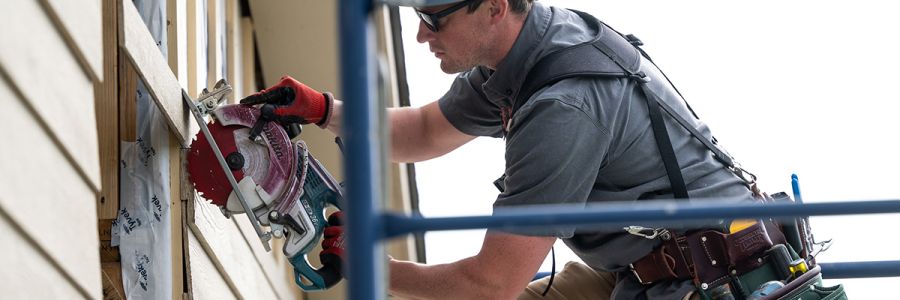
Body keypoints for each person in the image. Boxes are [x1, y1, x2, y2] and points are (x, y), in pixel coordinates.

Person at [245, 0, 758, 299]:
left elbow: (491, 284)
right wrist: (321, 109)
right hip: (653, 269)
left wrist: (375, 268)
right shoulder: (519, 58)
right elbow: (425, 131)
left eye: (434, 17)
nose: (420, 34)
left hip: (715, 280)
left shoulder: (563, 105)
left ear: (492, 7)